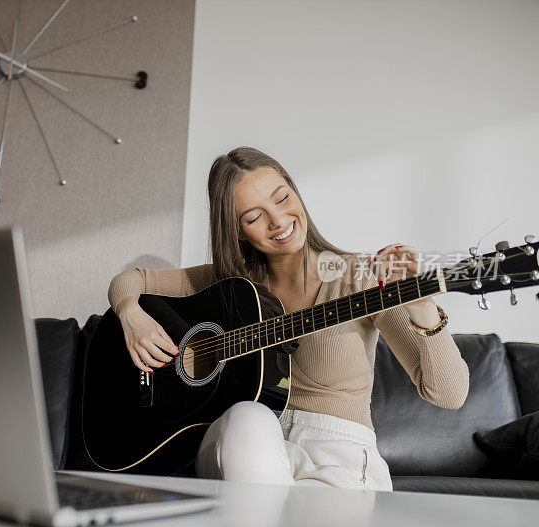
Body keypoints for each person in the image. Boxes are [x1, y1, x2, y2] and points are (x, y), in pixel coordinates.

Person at [107, 146, 469, 491]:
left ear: (295, 191)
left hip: (337, 461)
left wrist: (423, 304)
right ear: (235, 230)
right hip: (242, 449)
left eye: (281, 198)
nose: (278, 220)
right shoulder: (230, 285)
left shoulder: (362, 275)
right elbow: (131, 279)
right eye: (253, 216)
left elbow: (449, 394)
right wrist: (130, 314)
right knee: (248, 418)